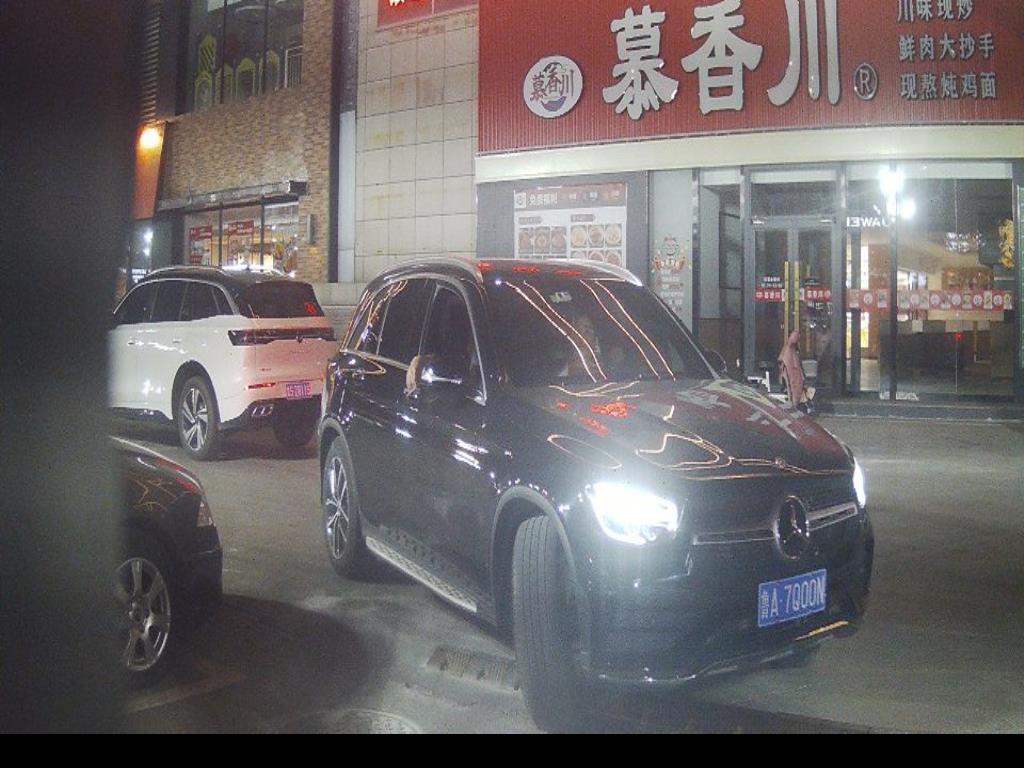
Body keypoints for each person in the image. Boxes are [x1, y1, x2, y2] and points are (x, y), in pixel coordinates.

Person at [778, 330, 814, 413]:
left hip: (795, 376)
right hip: (792, 376)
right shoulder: (789, 349)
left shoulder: (792, 349)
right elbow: (786, 363)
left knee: (796, 391)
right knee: (793, 391)